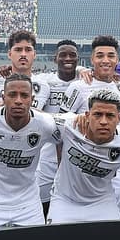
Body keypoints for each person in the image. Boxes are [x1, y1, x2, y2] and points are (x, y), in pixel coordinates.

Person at [0, 74, 58, 230]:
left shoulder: (45, 125)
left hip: (28, 204)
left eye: (24, 96)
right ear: (3, 97)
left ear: (31, 99)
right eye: (12, 95)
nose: (18, 101)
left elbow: (67, 135)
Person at [48, 89, 120, 223]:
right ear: (87, 115)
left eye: (110, 116)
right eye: (97, 114)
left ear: (119, 118)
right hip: (65, 200)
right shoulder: (70, 125)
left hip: (102, 202)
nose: (103, 121)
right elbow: (37, 117)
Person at [61, 36, 120, 201]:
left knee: (114, 217)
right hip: (85, 164)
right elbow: (61, 124)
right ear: (92, 59)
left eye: (110, 56)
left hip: (116, 164)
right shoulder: (78, 87)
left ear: (117, 60)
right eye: (100, 56)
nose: (105, 60)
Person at [35, 40, 80, 216]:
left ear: (78, 59)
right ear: (55, 59)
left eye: (72, 55)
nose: (67, 58)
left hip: (75, 153)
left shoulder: (86, 81)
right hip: (47, 155)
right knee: (42, 204)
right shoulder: (44, 82)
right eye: (63, 55)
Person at [0, 30, 50, 110]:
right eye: (18, 50)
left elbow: (47, 118)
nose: (23, 54)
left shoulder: (44, 86)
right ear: (9, 54)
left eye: (28, 50)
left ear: (34, 54)